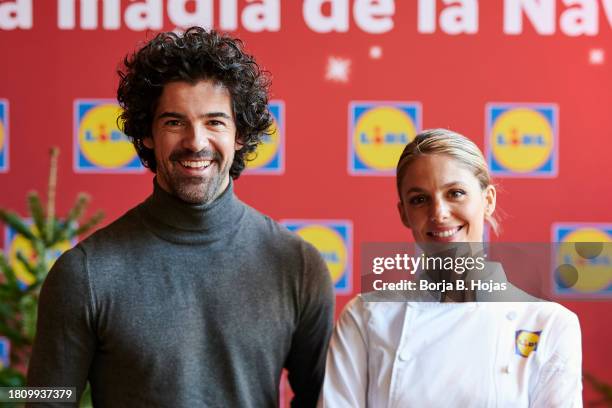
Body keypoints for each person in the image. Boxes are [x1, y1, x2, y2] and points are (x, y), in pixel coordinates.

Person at [27, 27, 334, 407]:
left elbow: (325, 400)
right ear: (147, 134)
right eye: (174, 122)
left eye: (215, 122)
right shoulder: (85, 274)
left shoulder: (297, 265)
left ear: (240, 134)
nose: (196, 141)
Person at [318, 129, 582, 407]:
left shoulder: (548, 324)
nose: (439, 213)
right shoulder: (366, 316)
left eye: (455, 193)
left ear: (488, 200)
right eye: (419, 199)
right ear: (404, 213)